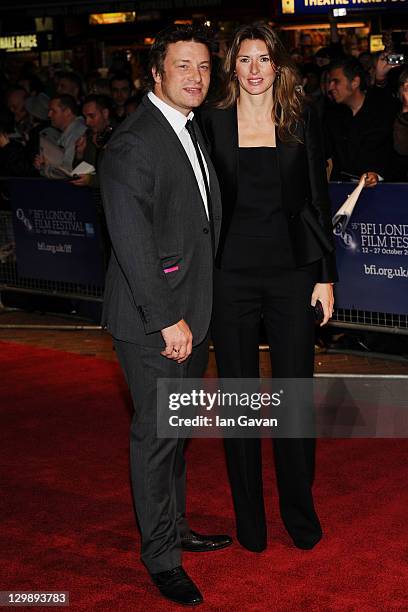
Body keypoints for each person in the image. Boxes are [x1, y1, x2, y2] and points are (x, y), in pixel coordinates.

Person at [99, 25, 230, 607]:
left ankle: (174, 528)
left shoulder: (187, 128)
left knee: (175, 436)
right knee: (155, 437)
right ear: (157, 73)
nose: (196, 77)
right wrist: (165, 319)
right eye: (183, 67)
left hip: (190, 313)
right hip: (155, 320)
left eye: (203, 67)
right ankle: (161, 558)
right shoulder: (135, 141)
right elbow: (131, 242)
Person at [199, 23, 337, 553]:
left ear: (277, 65)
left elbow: (316, 201)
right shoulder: (210, 123)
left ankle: (300, 515)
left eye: (264, 59)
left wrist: (326, 275)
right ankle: (250, 523)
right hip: (229, 277)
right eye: (244, 59)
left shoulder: (300, 118)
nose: (255, 69)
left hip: (292, 275)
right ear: (231, 66)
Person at [325, 56, 398, 185]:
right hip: (344, 191)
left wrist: (376, 175)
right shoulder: (333, 117)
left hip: (383, 190)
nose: (330, 87)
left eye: (336, 81)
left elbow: (392, 153)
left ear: (354, 82)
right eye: (329, 82)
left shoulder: (382, 111)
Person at [34, 94, 86, 179]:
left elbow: (67, 172)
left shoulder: (75, 134)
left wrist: (46, 168)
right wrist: (45, 164)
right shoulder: (70, 131)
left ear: (67, 112)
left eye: (53, 111)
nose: (49, 115)